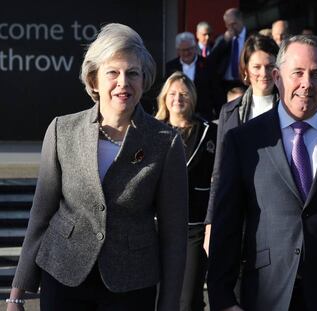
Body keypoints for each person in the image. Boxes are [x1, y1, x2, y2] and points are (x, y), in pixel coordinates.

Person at [7, 23, 188, 311]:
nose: (123, 83)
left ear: (144, 80)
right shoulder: (62, 130)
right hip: (64, 276)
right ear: (94, 80)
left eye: (133, 73)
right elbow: (41, 213)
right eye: (112, 73)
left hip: (131, 284)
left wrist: (169, 304)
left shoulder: (165, 143)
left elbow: (174, 235)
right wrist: (17, 293)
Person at [207, 35, 317, 311]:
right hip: (266, 295)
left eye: (316, 74)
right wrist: (224, 300)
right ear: (278, 77)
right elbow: (226, 226)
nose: (307, 84)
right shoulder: (244, 141)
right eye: (298, 73)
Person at [204, 34, 279, 254]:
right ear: (245, 69)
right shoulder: (229, 111)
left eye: (269, 66)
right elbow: (219, 171)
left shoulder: (289, 110)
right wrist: (210, 224)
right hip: (237, 211)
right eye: (256, 66)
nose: (263, 73)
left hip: (277, 214)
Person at [156, 71, 217, 311]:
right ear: (164, 98)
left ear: (191, 97)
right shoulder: (153, 129)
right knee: (158, 295)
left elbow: (217, 176)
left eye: (183, 94)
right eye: (172, 94)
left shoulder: (208, 131)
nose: (177, 99)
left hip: (194, 226)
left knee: (189, 299)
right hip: (158, 225)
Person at [166, 32, 216, 120]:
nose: (186, 53)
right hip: (179, 116)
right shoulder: (170, 67)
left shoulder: (208, 64)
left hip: (203, 115)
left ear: (195, 47)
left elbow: (216, 90)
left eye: (189, 49)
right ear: (178, 50)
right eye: (183, 50)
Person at [209, 8, 248, 111]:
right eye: (228, 25)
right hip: (225, 84)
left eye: (233, 24)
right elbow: (211, 60)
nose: (231, 28)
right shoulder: (223, 39)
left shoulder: (251, 37)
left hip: (245, 81)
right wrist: (224, 41)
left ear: (241, 20)